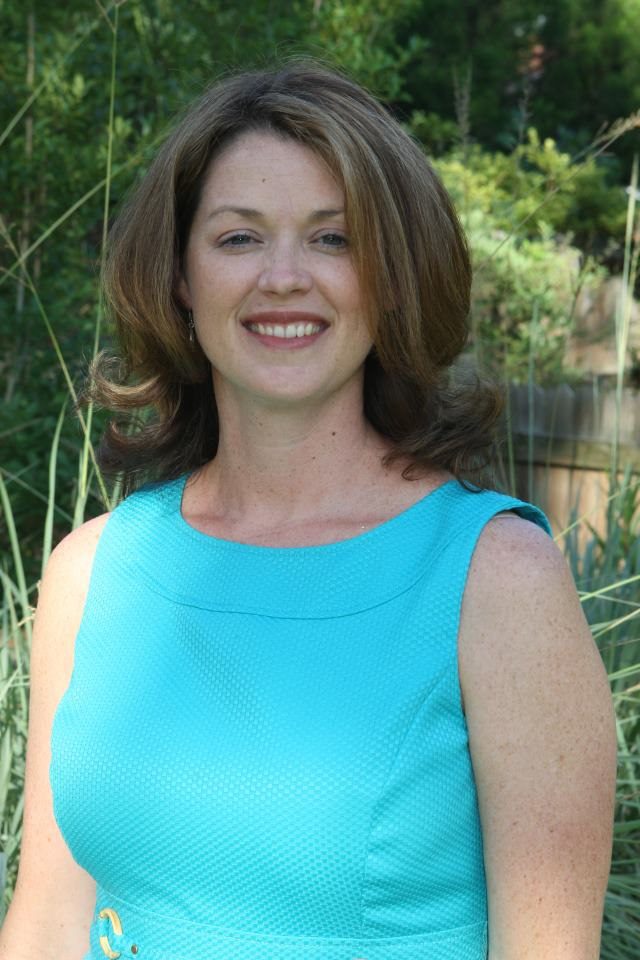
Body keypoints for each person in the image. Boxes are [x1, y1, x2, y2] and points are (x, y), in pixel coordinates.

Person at [0, 60, 616, 960]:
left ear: (393, 278)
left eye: (334, 240)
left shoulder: (497, 578)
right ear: (179, 276)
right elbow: (47, 925)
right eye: (239, 239)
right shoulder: (90, 573)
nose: (284, 277)